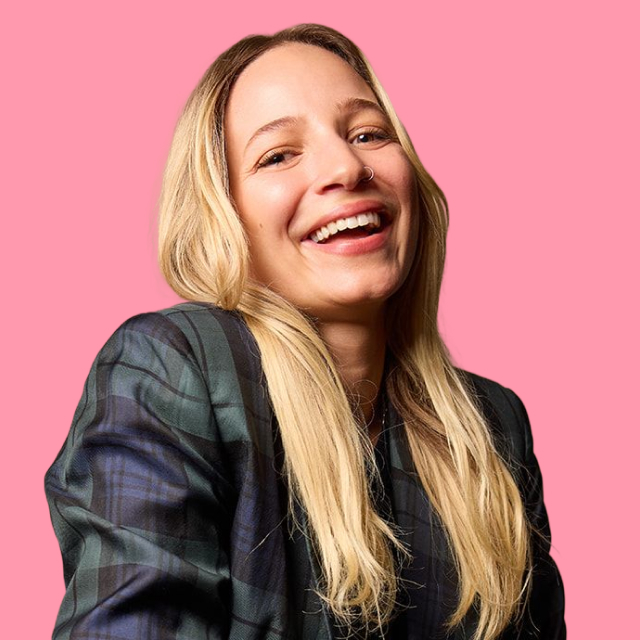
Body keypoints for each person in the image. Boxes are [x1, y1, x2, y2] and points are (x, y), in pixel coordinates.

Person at [45, 24, 565, 640]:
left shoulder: (494, 425)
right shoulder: (169, 370)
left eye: (368, 134)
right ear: (225, 216)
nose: (347, 167)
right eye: (278, 155)